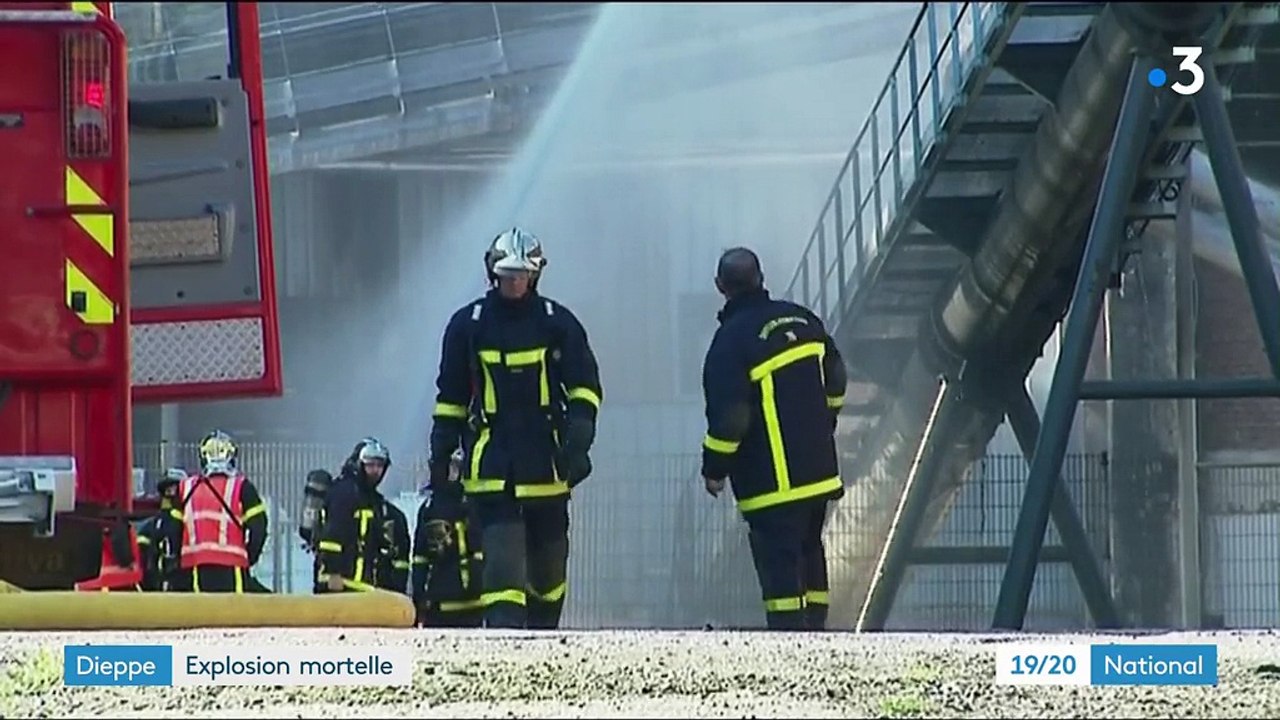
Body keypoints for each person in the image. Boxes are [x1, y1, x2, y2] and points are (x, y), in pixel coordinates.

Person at [426, 226, 603, 629]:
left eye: (522, 275)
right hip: (493, 468)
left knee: (548, 573)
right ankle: (505, 646)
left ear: (536, 275)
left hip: (547, 463)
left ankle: (544, 638)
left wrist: (578, 441)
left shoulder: (558, 323)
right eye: (508, 276)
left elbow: (585, 389)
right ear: (492, 273)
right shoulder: (467, 326)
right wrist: (440, 454)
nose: (515, 282)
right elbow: (450, 397)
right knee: (503, 570)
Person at [699, 247, 847, 631]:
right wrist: (823, 422)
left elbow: (730, 419)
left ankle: (789, 642)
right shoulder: (805, 320)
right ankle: (817, 636)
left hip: (772, 483)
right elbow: (837, 379)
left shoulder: (730, 342)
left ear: (721, 287)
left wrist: (714, 470)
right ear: (761, 278)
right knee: (811, 550)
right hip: (819, 473)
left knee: (779, 564)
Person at [172, 430, 270, 593]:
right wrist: (250, 557)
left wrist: (178, 558)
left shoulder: (185, 487)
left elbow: (172, 529)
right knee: (234, 614)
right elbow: (259, 527)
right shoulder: (242, 487)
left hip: (194, 566)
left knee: (201, 615)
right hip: (232, 567)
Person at [412, 448, 485, 627]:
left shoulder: (472, 504)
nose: (452, 473)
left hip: (472, 603)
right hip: (439, 603)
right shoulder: (429, 508)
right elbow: (420, 556)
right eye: (449, 466)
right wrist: (419, 596)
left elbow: (480, 549)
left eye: (456, 467)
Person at [315, 438, 391, 592]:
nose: (376, 471)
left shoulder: (372, 499)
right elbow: (332, 535)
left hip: (360, 585)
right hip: (339, 584)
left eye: (380, 465)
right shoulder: (345, 492)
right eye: (370, 465)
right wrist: (333, 573)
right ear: (359, 464)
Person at [136, 469, 186, 591]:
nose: (171, 494)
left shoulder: (186, 523)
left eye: (175, 490)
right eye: (168, 490)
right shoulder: (150, 527)